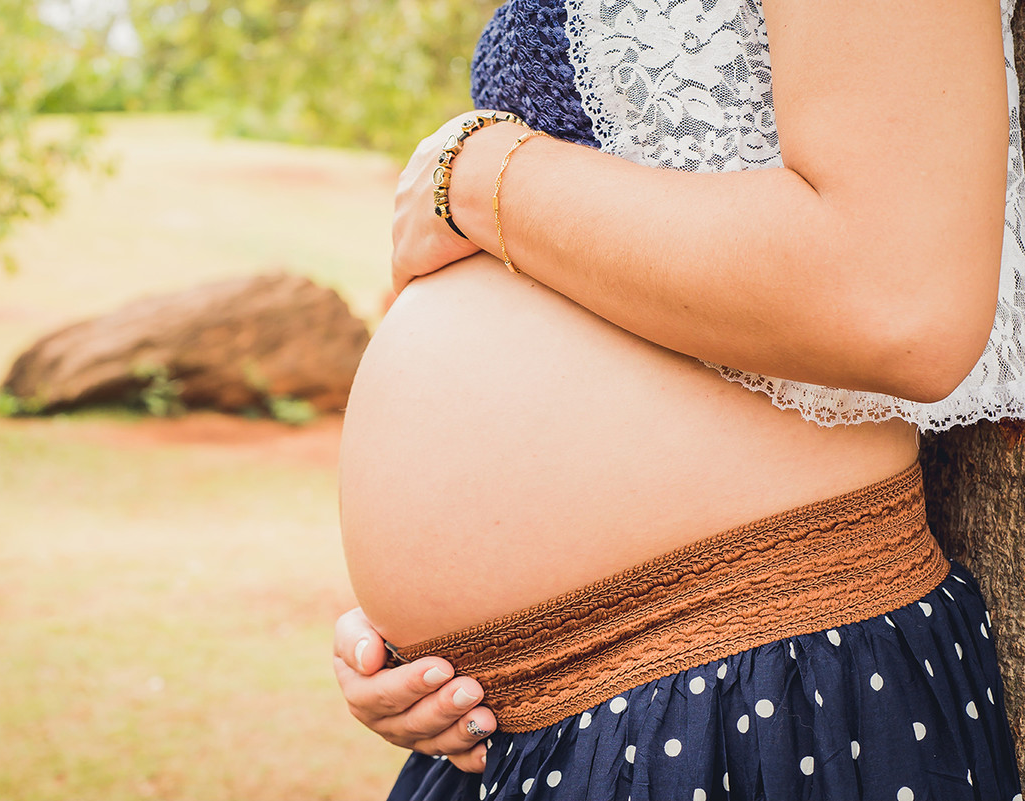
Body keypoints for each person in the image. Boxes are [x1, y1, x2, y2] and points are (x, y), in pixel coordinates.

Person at [334, 0, 1025, 798]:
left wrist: (476, 172)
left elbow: (898, 297)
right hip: (500, 725)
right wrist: (415, 629)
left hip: (754, 690)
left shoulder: (482, 172)